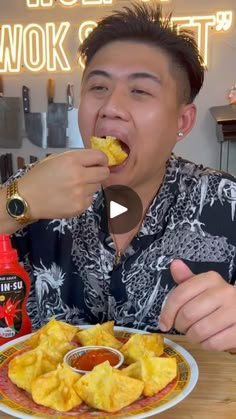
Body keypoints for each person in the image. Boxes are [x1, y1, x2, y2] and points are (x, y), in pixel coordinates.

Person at [1, 2, 236, 353]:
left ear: (182, 122)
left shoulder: (225, 203)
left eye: (140, 91)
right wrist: (14, 203)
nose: (110, 106)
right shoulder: (33, 188)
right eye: (98, 87)